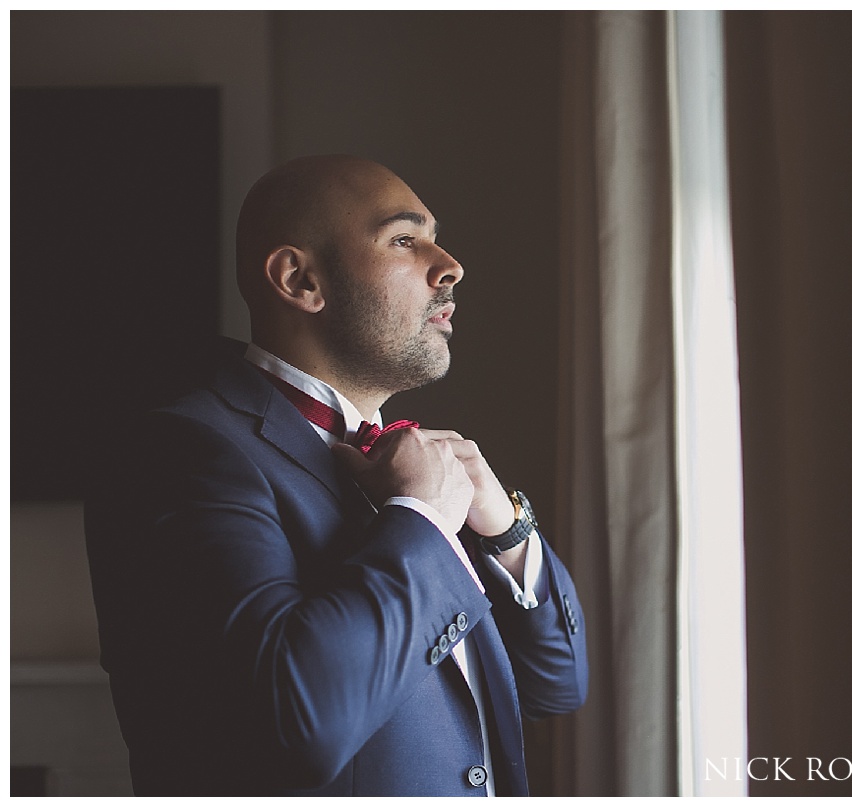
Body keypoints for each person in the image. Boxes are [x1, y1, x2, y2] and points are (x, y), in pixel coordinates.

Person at [84, 155, 588, 796]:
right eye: (405, 239)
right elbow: (294, 719)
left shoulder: (420, 466)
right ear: (299, 280)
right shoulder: (182, 452)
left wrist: (507, 534)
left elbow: (557, 684)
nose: (450, 265)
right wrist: (423, 520)